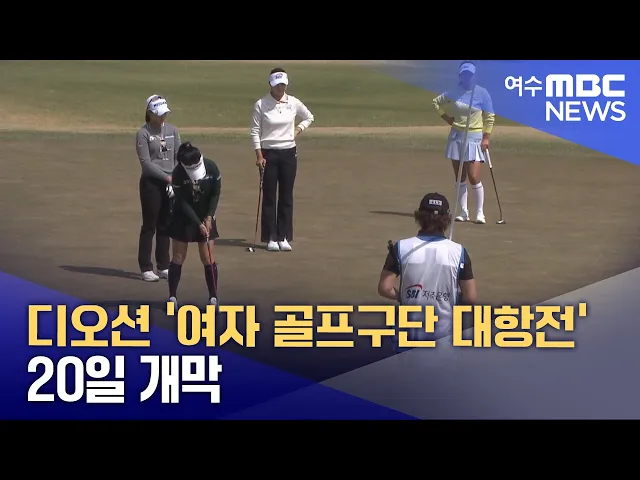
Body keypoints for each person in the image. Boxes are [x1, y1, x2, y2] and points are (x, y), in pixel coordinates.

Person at [378, 193, 477, 349]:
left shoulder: (401, 248)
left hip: (406, 339)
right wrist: (451, 299)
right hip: (443, 339)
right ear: (447, 218)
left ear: (419, 216)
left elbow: (385, 288)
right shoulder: (459, 252)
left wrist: (406, 296)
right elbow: (470, 297)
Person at [250, 67, 315, 252]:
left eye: (283, 85)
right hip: (268, 154)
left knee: (286, 196)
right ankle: (270, 237)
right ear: (271, 85)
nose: (280, 88)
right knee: (270, 196)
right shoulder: (261, 104)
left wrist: (297, 130)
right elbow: (255, 131)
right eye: (277, 85)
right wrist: (259, 155)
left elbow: (309, 117)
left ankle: (283, 236)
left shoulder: (293, 102)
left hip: (288, 153)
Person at [432, 61, 495, 224]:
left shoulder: (482, 93)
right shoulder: (453, 91)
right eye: (464, 74)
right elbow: (436, 102)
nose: (467, 77)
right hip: (457, 137)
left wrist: (486, 137)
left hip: (475, 137)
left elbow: (489, 116)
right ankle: (463, 212)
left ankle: (480, 213)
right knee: (460, 176)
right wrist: (447, 118)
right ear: (460, 75)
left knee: (473, 176)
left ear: (474, 76)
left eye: (470, 75)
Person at [166, 142, 222, 308]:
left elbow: (215, 193)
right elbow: (182, 202)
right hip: (183, 217)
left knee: (207, 257)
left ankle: (213, 297)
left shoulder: (211, 167)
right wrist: (198, 223)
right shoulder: (178, 173)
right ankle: (172, 297)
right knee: (178, 256)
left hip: (206, 215)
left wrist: (209, 216)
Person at [136, 94, 181, 282]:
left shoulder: (172, 130)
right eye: (160, 114)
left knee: (165, 225)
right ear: (150, 113)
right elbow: (146, 164)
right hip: (151, 184)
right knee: (149, 226)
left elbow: (178, 156)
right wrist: (167, 177)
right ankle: (146, 267)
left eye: (165, 113)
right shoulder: (143, 133)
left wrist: (176, 178)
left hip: (171, 183)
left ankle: (163, 266)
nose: (163, 117)